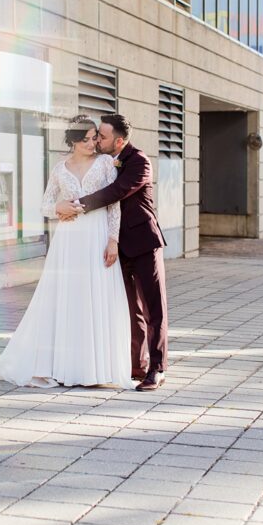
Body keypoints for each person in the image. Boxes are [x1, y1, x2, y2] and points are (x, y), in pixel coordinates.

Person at [0, 115, 135, 390]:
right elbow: (45, 205)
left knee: (95, 295)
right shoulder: (60, 168)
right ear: (73, 141)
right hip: (69, 240)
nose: (92, 142)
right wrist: (59, 207)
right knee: (67, 296)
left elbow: (114, 205)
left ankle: (95, 368)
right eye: (85, 139)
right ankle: (62, 365)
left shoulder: (105, 163)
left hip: (97, 234)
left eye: (94, 137)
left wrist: (113, 240)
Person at [56, 114, 169, 392]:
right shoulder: (105, 161)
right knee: (130, 310)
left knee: (154, 309)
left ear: (118, 140)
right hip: (114, 247)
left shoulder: (139, 161)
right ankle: (135, 365)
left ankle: (157, 368)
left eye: (102, 136)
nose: (97, 140)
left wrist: (75, 204)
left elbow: (116, 192)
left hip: (143, 243)